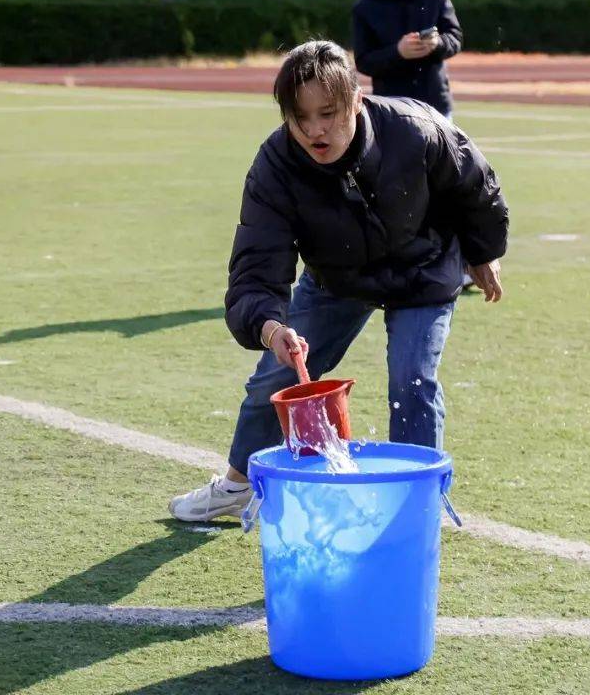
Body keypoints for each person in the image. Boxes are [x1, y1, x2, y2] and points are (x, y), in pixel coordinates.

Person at [169, 41, 507, 522]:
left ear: (356, 101)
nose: (313, 131)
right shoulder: (275, 166)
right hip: (337, 277)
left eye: (327, 113)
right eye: (299, 118)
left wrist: (483, 249)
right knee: (277, 375)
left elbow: (474, 184)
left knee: (412, 379)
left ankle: (413, 504)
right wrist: (269, 327)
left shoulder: (416, 129)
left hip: (424, 268)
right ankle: (240, 484)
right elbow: (255, 266)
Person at [351, 0, 464, 119]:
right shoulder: (365, 6)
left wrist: (438, 43)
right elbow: (363, 61)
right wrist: (398, 52)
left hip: (435, 104)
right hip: (392, 109)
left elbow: (455, 37)